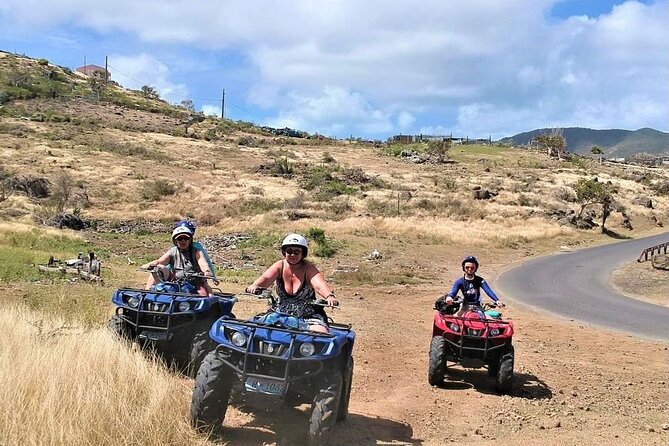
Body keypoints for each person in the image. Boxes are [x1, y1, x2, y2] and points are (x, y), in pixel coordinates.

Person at [245, 233, 338, 334]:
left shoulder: (309, 268)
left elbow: (319, 285)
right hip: (280, 313)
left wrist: (329, 296)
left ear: (303, 253)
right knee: (250, 329)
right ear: (284, 252)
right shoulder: (280, 265)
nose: (293, 255)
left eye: (297, 252)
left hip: (307, 316)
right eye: (289, 251)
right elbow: (266, 278)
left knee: (320, 335)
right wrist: (255, 285)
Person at [140, 223, 214, 296]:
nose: (183, 241)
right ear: (175, 241)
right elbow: (159, 261)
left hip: (195, 282)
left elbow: (203, 263)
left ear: (190, 240)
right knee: (158, 268)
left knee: (204, 296)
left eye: (186, 238)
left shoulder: (197, 252)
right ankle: (148, 293)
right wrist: (148, 265)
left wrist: (207, 271)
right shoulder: (172, 251)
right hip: (175, 282)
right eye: (179, 239)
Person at [435, 255, 504, 315]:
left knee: (488, 323)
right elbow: (453, 292)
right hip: (465, 306)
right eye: (467, 267)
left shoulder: (480, 280)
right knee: (455, 322)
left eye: (472, 268)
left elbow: (488, 291)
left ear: (475, 268)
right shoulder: (459, 282)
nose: (469, 269)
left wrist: (497, 300)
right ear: (463, 268)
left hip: (478, 306)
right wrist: (449, 298)